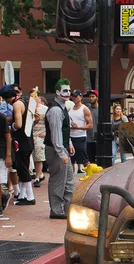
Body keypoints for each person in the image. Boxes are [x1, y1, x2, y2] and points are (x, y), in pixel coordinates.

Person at [44, 78, 75, 219]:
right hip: (56, 150)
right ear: (57, 92)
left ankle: (67, 209)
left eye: (69, 90)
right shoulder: (56, 111)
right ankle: (57, 210)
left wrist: (69, 144)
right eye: (65, 90)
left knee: (68, 181)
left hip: (62, 149)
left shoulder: (62, 108)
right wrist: (61, 152)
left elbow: (63, 131)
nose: (68, 93)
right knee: (58, 181)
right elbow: (56, 134)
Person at [0, 84, 35, 205]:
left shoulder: (16, 105)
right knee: (22, 168)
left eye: (6, 99)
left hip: (21, 140)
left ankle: (30, 197)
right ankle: (23, 195)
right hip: (28, 139)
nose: (6, 102)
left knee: (22, 168)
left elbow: (19, 124)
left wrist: (11, 127)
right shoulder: (24, 102)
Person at [68, 89, 93, 173]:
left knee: (84, 159)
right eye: (73, 96)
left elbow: (90, 125)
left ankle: (90, 176)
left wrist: (78, 128)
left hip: (80, 137)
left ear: (80, 97)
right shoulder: (70, 109)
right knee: (71, 160)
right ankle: (70, 180)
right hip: (71, 137)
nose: (74, 98)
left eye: (76, 96)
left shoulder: (84, 109)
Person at [32, 96, 48, 187]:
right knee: (34, 156)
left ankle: (37, 177)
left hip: (40, 135)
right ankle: (40, 174)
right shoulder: (29, 109)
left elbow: (49, 122)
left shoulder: (45, 109)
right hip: (31, 135)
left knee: (39, 157)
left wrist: (45, 132)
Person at [86, 90, 99, 164]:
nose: (91, 98)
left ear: (96, 98)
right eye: (90, 97)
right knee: (91, 160)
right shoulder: (87, 109)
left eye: (93, 96)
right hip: (89, 138)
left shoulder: (101, 110)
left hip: (98, 139)